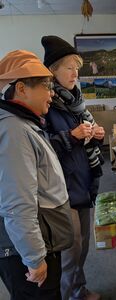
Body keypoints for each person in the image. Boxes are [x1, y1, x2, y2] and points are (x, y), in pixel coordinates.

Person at [0, 50, 73, 300]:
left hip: (41, 239)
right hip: (27, 250)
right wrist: (34, 258)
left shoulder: (24, 123)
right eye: (46, 86)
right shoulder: (14, 130)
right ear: (21, 88)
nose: (52, 94)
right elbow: (17, 202)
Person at [41, 35, 105, 300]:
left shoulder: (75, 101)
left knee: (82, 248)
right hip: (63, 189)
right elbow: (41, 149)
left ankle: (78, 290)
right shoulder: (45, 104)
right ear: (52, 71)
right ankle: (69, 294)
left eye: (76, 66)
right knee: (70, 251)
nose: (75, 72)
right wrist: (72, 136)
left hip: (84, 182)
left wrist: (95, 134)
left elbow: (84, 138)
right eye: (68, 67)